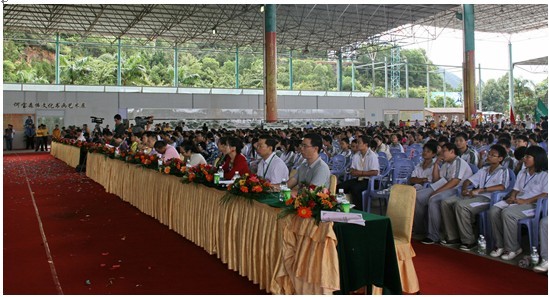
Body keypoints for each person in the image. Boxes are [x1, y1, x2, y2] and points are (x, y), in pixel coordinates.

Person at [440, 144, 510, 250]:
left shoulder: (503, 171)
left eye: (493, 155)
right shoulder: (484, 170)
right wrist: (464, 189)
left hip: (489, 199)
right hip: (475, 196)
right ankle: (453, 236)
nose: (489, 156)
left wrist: (482, 190)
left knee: (461, 205)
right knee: (446, 202)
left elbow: (502, 186)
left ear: (500, 159)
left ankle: (469, 240)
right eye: (489, 154)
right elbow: (468, 180)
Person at [488, 146, 548, 260]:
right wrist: (512, 196)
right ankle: (500, 245)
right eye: (525, 156)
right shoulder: (523, 172)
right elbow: (516, 189)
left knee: (508, 213)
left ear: (537, 159)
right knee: (494, 210)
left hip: (534, 205)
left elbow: (545, 194)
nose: (524, 159)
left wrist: (526, 201)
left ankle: (513, 248)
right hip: (518, 201)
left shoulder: (545, 174)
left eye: (528, 157)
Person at [415, 142, 473, 244]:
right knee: (418, 197)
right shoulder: (446, 164)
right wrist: (436, 164)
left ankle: (433, 235)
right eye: (441, 151)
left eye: (444, 151)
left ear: (452, 152)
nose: (441, 153)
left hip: (456, 189)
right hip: (442, 186)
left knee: (433, 200)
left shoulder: (459, 162)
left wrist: (436, 192)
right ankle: (421, 229)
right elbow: (435, 180)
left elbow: (455, 182)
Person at [336, 135, 379, 210]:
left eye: (359, 143)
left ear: (365, 145)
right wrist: (361, 173)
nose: (357, 145)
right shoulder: (356, 155)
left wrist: (360, 173)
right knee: (340, 187)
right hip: (359, 179)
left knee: (355, 189)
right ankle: (342, 207)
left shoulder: (372, 156)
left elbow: (374, 172)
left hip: (370, 181)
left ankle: (359, 210)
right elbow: (352, 171)